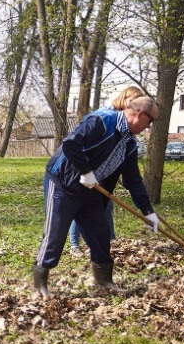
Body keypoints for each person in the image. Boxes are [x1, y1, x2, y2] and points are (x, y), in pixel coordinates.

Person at [33, 95, 161, 296]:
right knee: (55, 232)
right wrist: (86, 172)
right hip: (63, 182)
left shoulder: (130, 143)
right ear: (140, 114)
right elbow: (70, 144)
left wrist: (148, 212)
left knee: (100, 232)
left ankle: (104, 280)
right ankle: (40, 282)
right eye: (150, 120)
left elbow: (133, 180)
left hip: (90, 188)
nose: (149, 126)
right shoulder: (102, 120)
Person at [67, 86, 144, 256]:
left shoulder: (128, 133)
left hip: (102, 176)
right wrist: (87, 173)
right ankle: (75, 244)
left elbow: (131, 176)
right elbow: (75, 145)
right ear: (124, 99)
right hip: (82, 175)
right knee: (79, 210)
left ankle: (106, 240)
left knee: (105, 207)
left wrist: (147, 210)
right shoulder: (106, 117)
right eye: (131, 101)